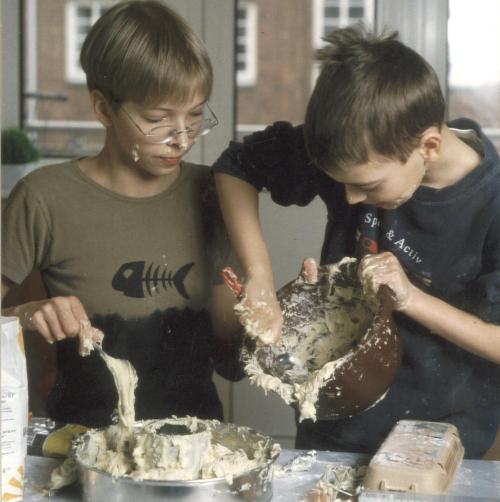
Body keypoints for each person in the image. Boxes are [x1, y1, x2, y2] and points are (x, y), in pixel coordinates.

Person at [213, 25, 500, 458]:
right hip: (334, 427)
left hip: (440, 438)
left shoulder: (492, 203)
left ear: (429, 146)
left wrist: (412, 299)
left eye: (366, 186)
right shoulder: (359, 142)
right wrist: (259, 275)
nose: (349, 199)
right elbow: (234, 166)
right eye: (339, 183)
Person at [2, 0, 244, 428]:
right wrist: (27, 316)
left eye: (194, 116)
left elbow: (231, 357)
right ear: (103, 109)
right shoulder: (43, 198)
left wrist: (271, 322)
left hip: (200, 445)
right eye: (158, 119)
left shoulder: (215, 193)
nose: (182, 138)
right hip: (81, 445)